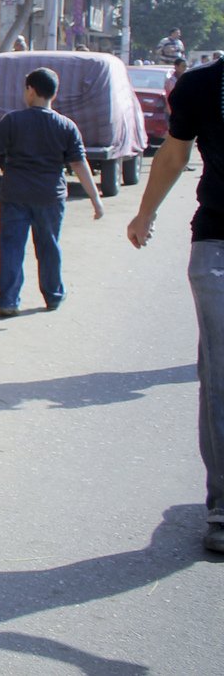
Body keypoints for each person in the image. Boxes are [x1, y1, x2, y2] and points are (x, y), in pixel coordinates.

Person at [126, 53, 224, 554]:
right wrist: (145, 213)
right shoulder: (202, 87)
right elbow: (173, 154)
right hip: (217, 244)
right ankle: (223, 505)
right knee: (220, 373)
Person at [0, 68, 103, 315]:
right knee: (49, 246)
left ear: (31, 90)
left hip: (15, 195)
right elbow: (79, 164)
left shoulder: (14, 121)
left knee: (11, 247)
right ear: (53, 94)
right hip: (50, 198)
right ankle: (53, 295)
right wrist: (96, 200)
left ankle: (8, 300)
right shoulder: (67, 127)